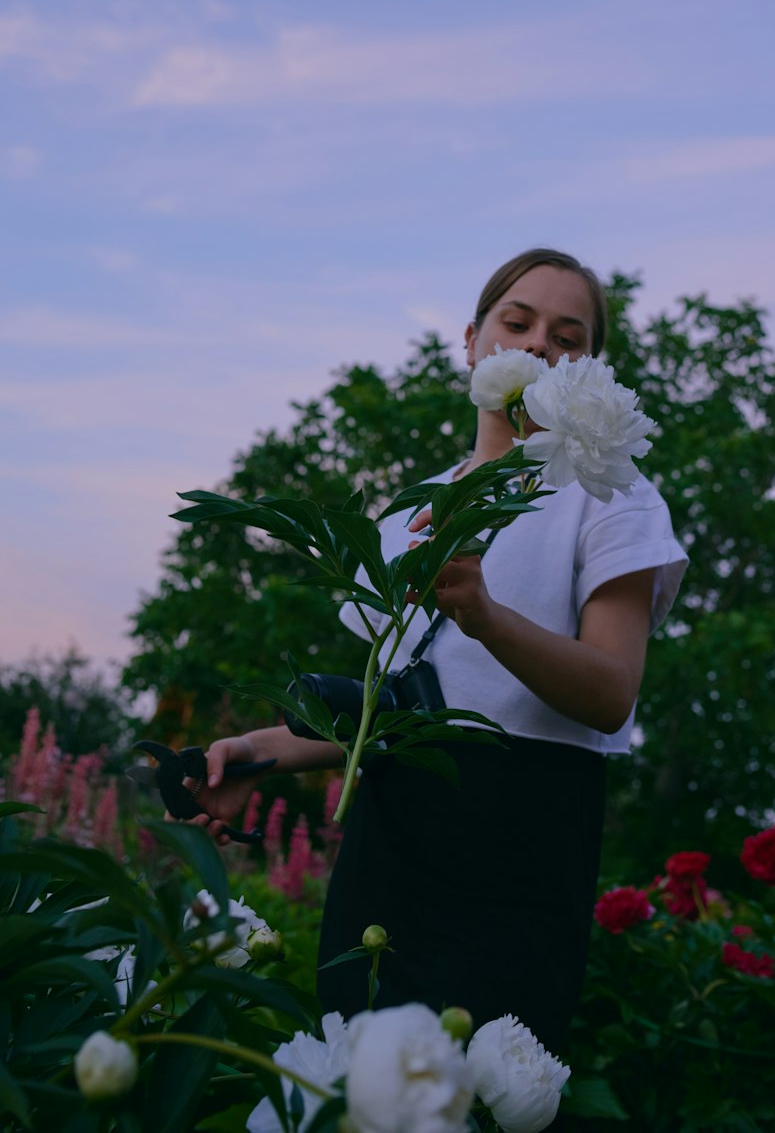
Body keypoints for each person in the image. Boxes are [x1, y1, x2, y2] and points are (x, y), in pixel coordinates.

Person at [186, 248, 688, 1052]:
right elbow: (396, 708)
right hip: (389, 856)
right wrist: (252, 755)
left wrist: (485, 614)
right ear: (471, 341)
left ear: (593, 368)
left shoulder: (613, 495)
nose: (536, 348)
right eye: (516, 323)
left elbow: (611, 691)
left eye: (568, 337)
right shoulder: (405, 514)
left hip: (521, 855)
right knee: (353, 1080)